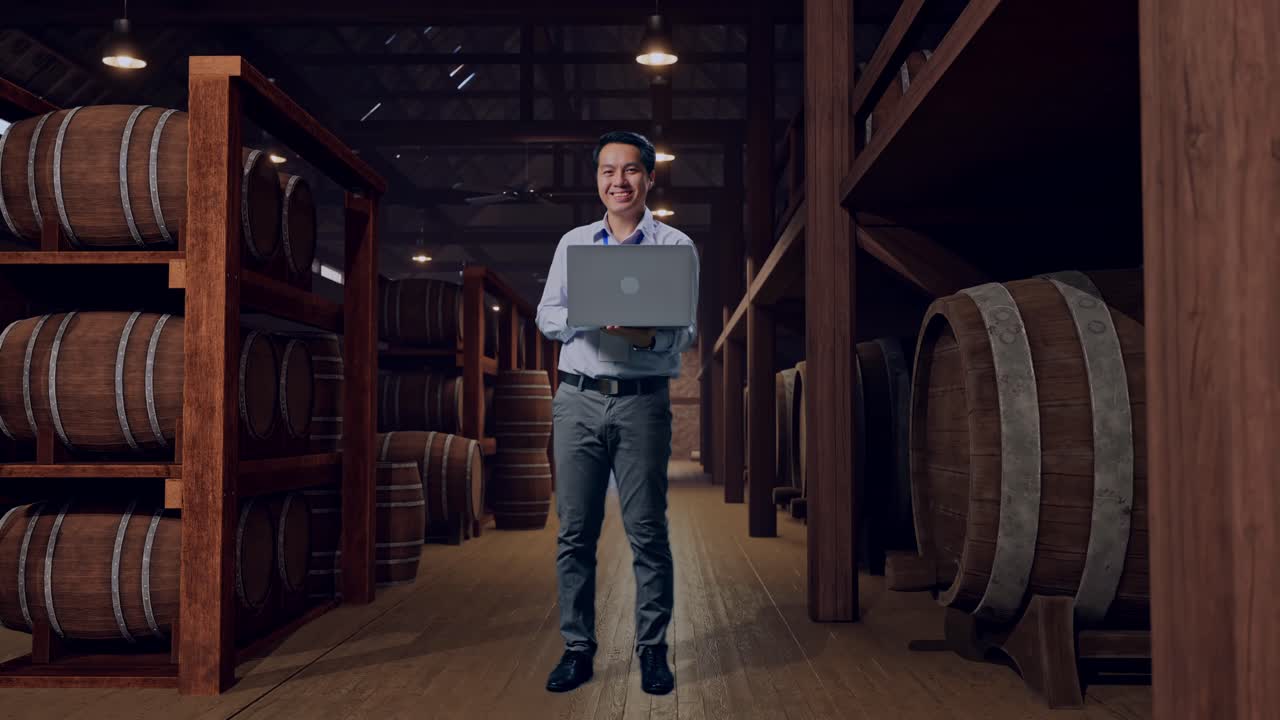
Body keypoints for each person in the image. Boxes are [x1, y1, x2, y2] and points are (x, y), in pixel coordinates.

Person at [535, 131, 698, 695]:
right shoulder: (573, 243)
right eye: (608, 170)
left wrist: (642, 332)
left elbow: (683, 332)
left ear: (649, 178)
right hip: (576, 398)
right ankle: (578, 648)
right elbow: (546, 316)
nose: (619, 181)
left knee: (647, 531)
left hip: (642, 403)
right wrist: (589, 313)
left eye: (630, 170)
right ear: (598, 179)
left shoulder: (675, 247)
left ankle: (652, 650)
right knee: (575, 532)